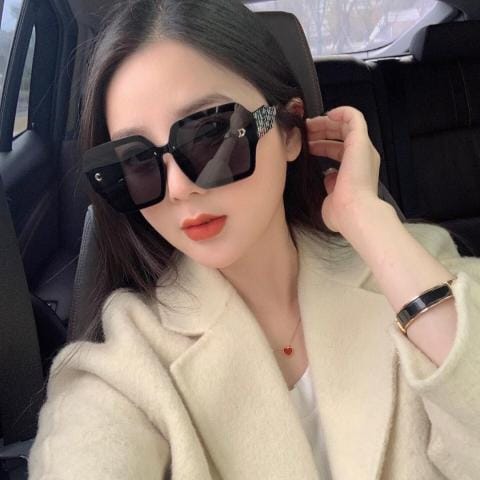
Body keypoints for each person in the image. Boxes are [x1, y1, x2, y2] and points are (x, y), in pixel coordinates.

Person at [28, 0, 480, 479]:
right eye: (137, 160)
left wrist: (367, 218)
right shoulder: (127, 357)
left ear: (289, 134)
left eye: (211, 134)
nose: (180, 188)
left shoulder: (415, 268)